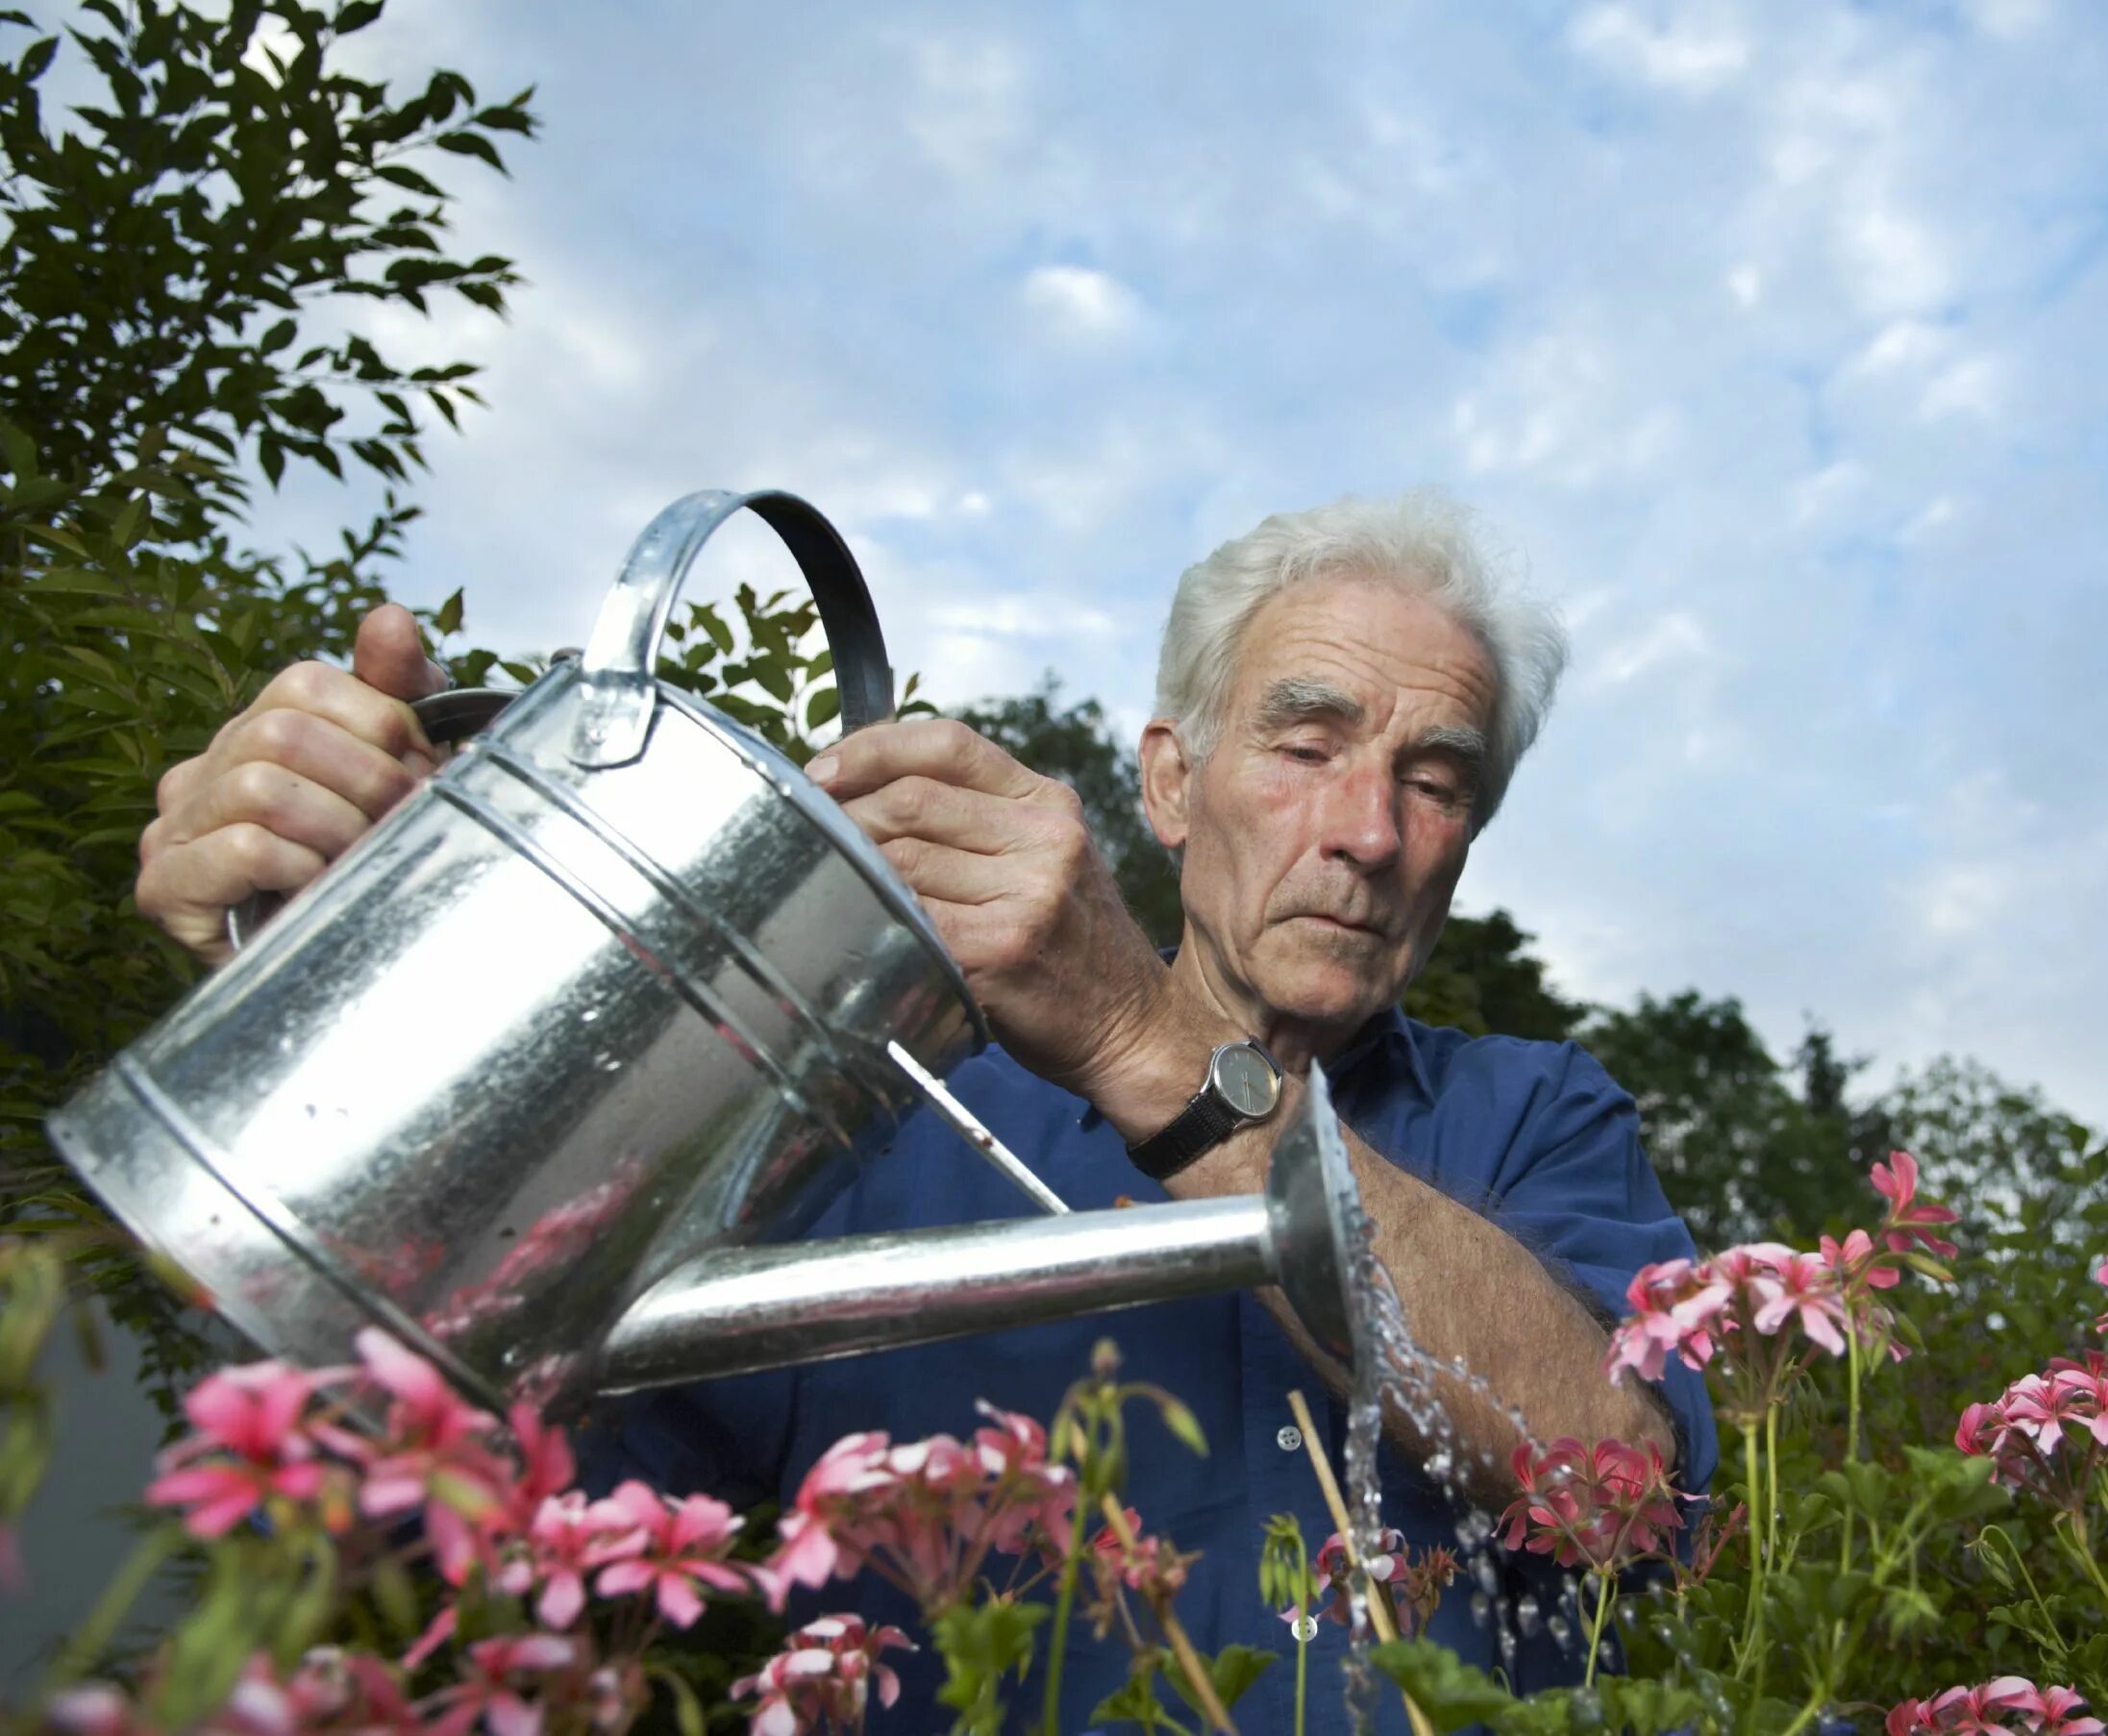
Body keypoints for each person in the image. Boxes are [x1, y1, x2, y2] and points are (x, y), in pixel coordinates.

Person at [136, 491, 1715, 1731]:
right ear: (1169, 782)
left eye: (1436, 782)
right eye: (1304, 744)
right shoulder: (871, 1127)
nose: (1368, 829)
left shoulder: (1532, 1118)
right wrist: (343, 987)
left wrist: (1140, 1037)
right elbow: (455, 1509)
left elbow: (1631, 1490)